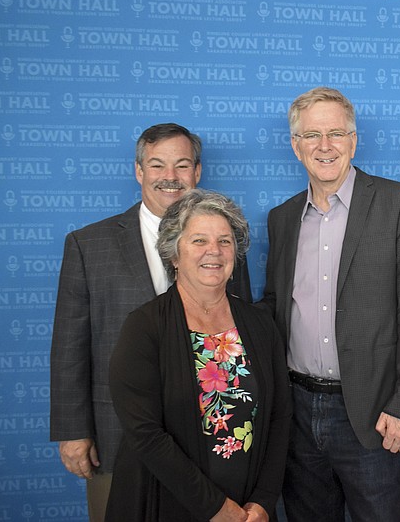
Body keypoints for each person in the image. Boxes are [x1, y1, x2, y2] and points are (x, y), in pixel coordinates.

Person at [50, 123, 252, 521]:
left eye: (181, 165)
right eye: (157, 165)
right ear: (138, 171)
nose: (170, 177)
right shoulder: (88, 245)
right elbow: (69, 346)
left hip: (213, 433)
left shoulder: (225, 245)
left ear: (197, 172)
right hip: (118, 432)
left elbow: (240, 335)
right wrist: (73, 430)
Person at [261, 86, 400, 522]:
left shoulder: (398, 202)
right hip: (296, 410)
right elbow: (276, 308)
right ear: (295, 145)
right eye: (312, 135)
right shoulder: (281, 218)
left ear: (354, 141)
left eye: (337, 133)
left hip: (372, 411)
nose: (325, 145)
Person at [106, 189, 291, 521]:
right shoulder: (145, 327)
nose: (214, 252)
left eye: (224, 241)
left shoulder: (260, 324)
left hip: (250, 509)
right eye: (199, 241)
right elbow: (146, 434)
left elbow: (279, 418)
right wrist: (218, 509)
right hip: (170, 503)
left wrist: (263, 501)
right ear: (174, 254)